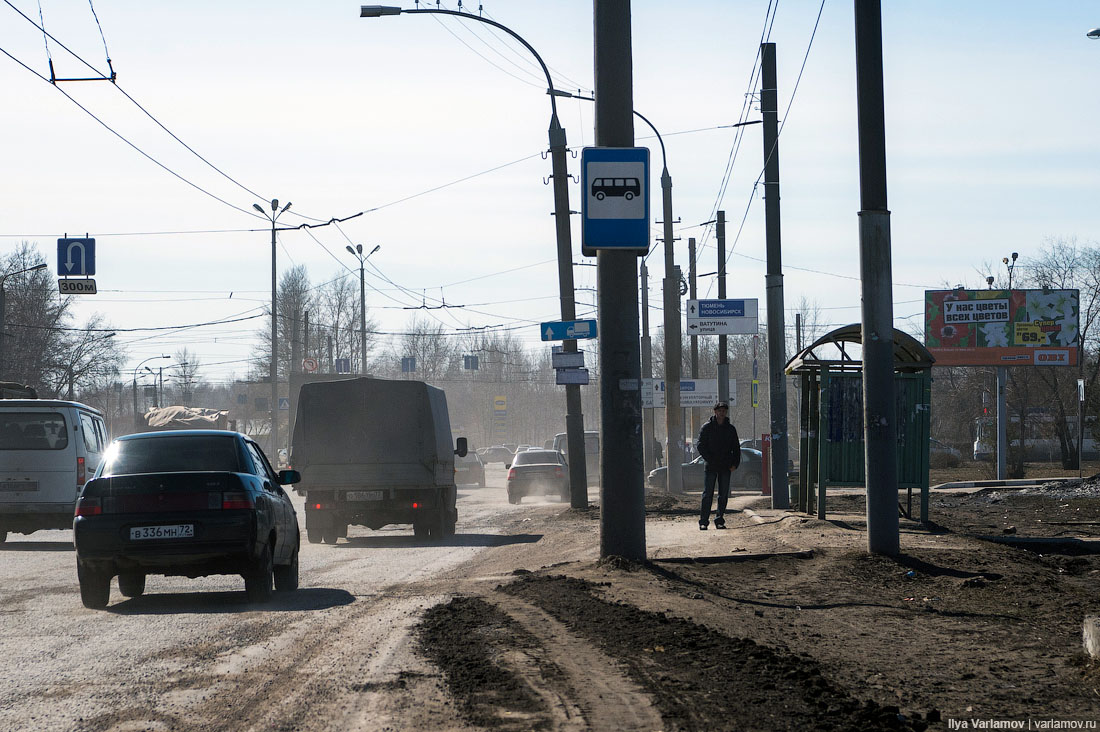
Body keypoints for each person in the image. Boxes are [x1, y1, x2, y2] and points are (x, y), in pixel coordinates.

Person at [697, 401, 740, 530]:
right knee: (707, 494)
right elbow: (700, 445)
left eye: (724, 411)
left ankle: (719, 520)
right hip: (711, 466)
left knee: (723, 495)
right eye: (720, 411)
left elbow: (736, 448)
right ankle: (704, 521)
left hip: (725, 466)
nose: (722, 413)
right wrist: (709, 459)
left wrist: (735, 464)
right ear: (715, 412)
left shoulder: (730, 429)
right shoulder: (707, 427)